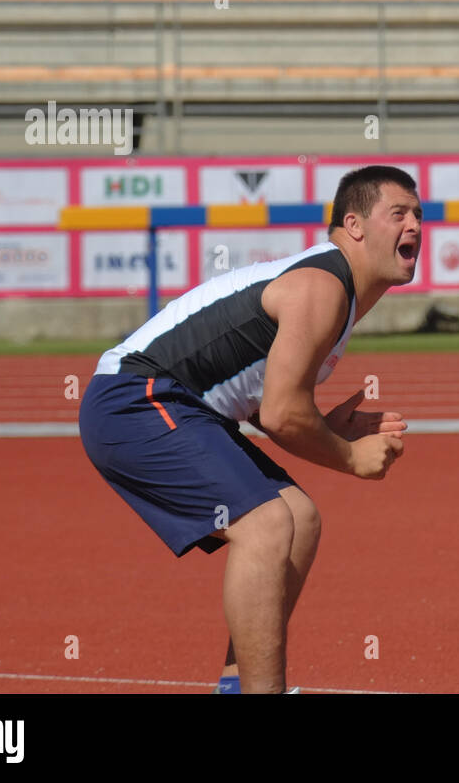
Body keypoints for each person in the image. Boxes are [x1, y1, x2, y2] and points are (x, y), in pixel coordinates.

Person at [78, 165, 420, 693]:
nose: (415, 225)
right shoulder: (322, 288)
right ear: (353, 224)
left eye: (419, 214)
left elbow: (266, 404)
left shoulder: (336, 292)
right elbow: (283, 414)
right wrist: (349, 457)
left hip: (176, 402)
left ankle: (239, 685)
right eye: (398, 213)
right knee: (265, 525)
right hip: (133, 399)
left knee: (299, 519)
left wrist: (325, 428)